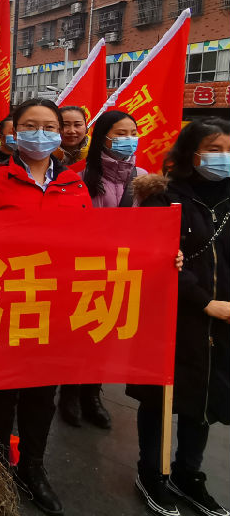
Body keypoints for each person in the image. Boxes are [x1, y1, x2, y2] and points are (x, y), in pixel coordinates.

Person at [0, 98, 92, 516]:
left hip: (54, 307)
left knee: (42, 394)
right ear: (13, 133)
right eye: (31, 126)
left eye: (50, 126)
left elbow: (92, 244)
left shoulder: (74, 185)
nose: (42, 134)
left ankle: (33, 469)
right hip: (3, 304)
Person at [130, 117, 230, 516]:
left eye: (229, 150)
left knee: (203, 400)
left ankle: (189, 473)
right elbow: (155, 256)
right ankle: (151, 472)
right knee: (160, 397)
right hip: (172, 316)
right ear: (191, 153)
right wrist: (204, 301)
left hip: (222, 322)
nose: (223, 157)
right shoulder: (164, 198)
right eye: (215, 150)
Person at [59, 110, 148, 430]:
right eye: (120, 134)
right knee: (80, 334)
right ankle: (69, 394)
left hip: (123, 269)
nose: (128, 139)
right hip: (86, 269)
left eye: (132, 133)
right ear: (103, 138)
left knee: (104, 335)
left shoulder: (144, 177)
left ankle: (92, 395)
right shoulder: (82, 175)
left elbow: (153, 226)